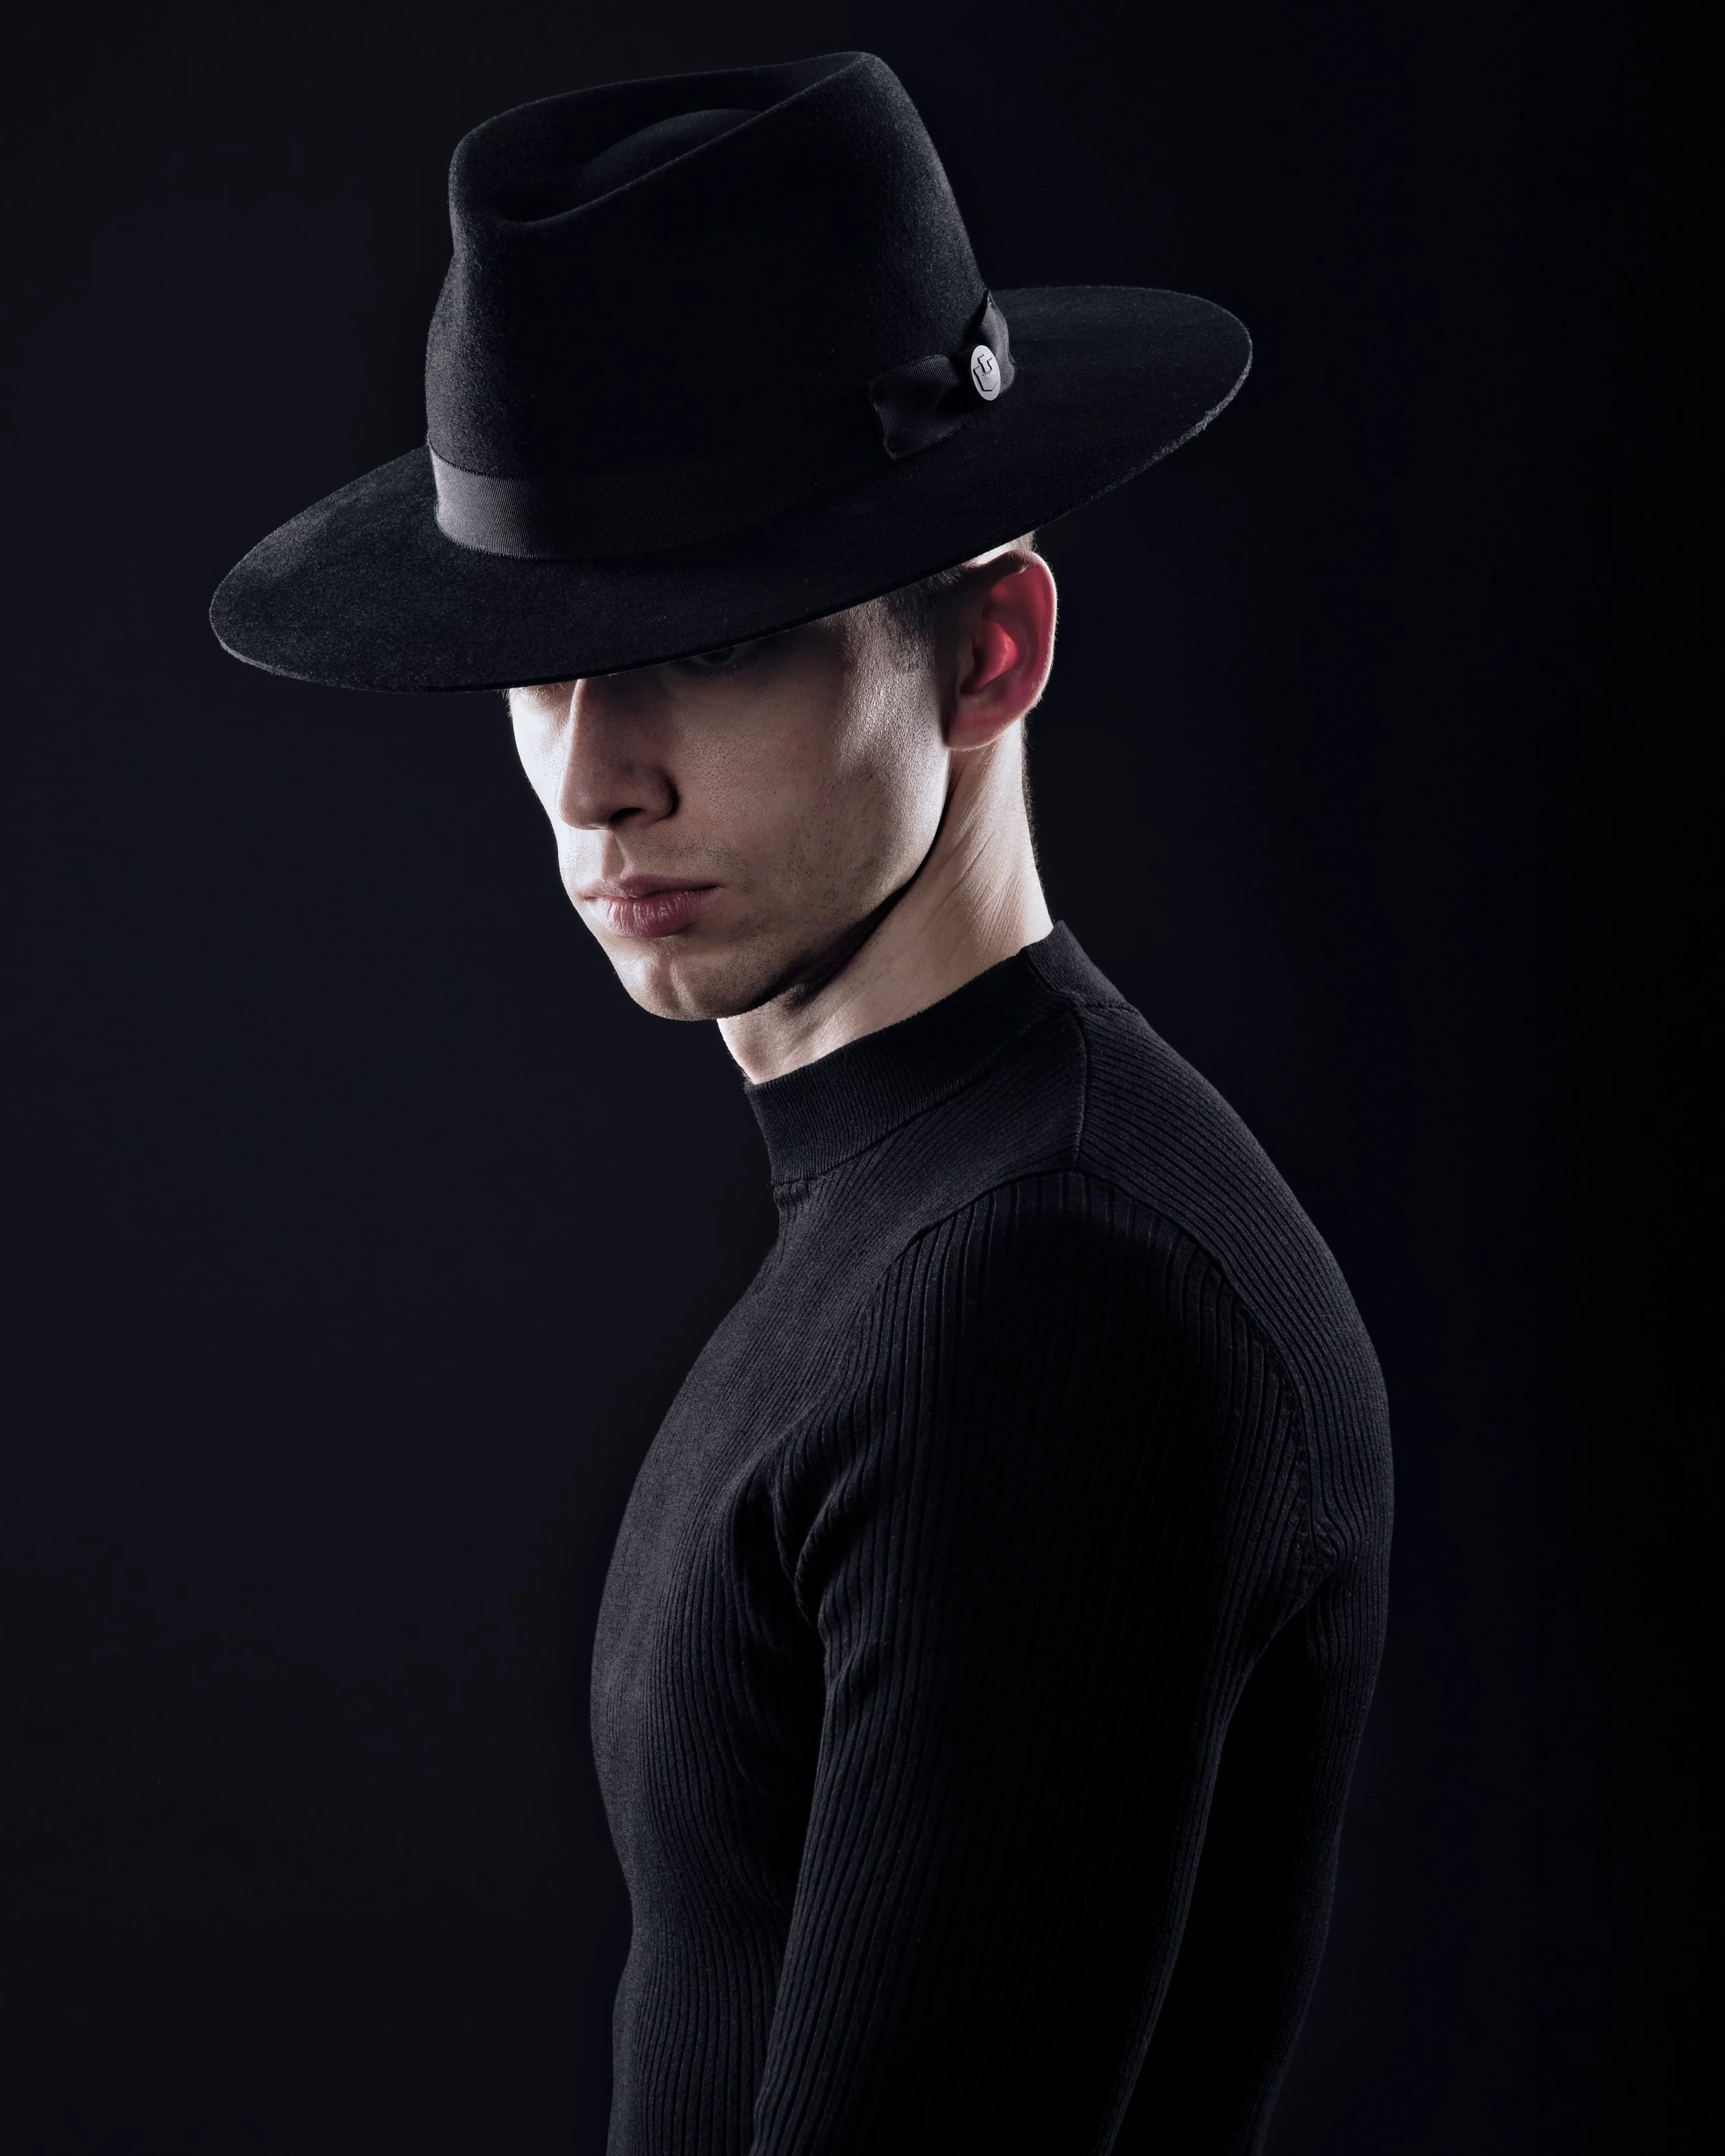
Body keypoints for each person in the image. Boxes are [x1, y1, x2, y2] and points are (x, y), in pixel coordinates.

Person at [212, 51, 1392, 2156]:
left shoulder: (1045, 1302)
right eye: (537, 663)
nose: (591, 776)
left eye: (710, 641)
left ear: (990, 646)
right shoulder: (941, 1228)